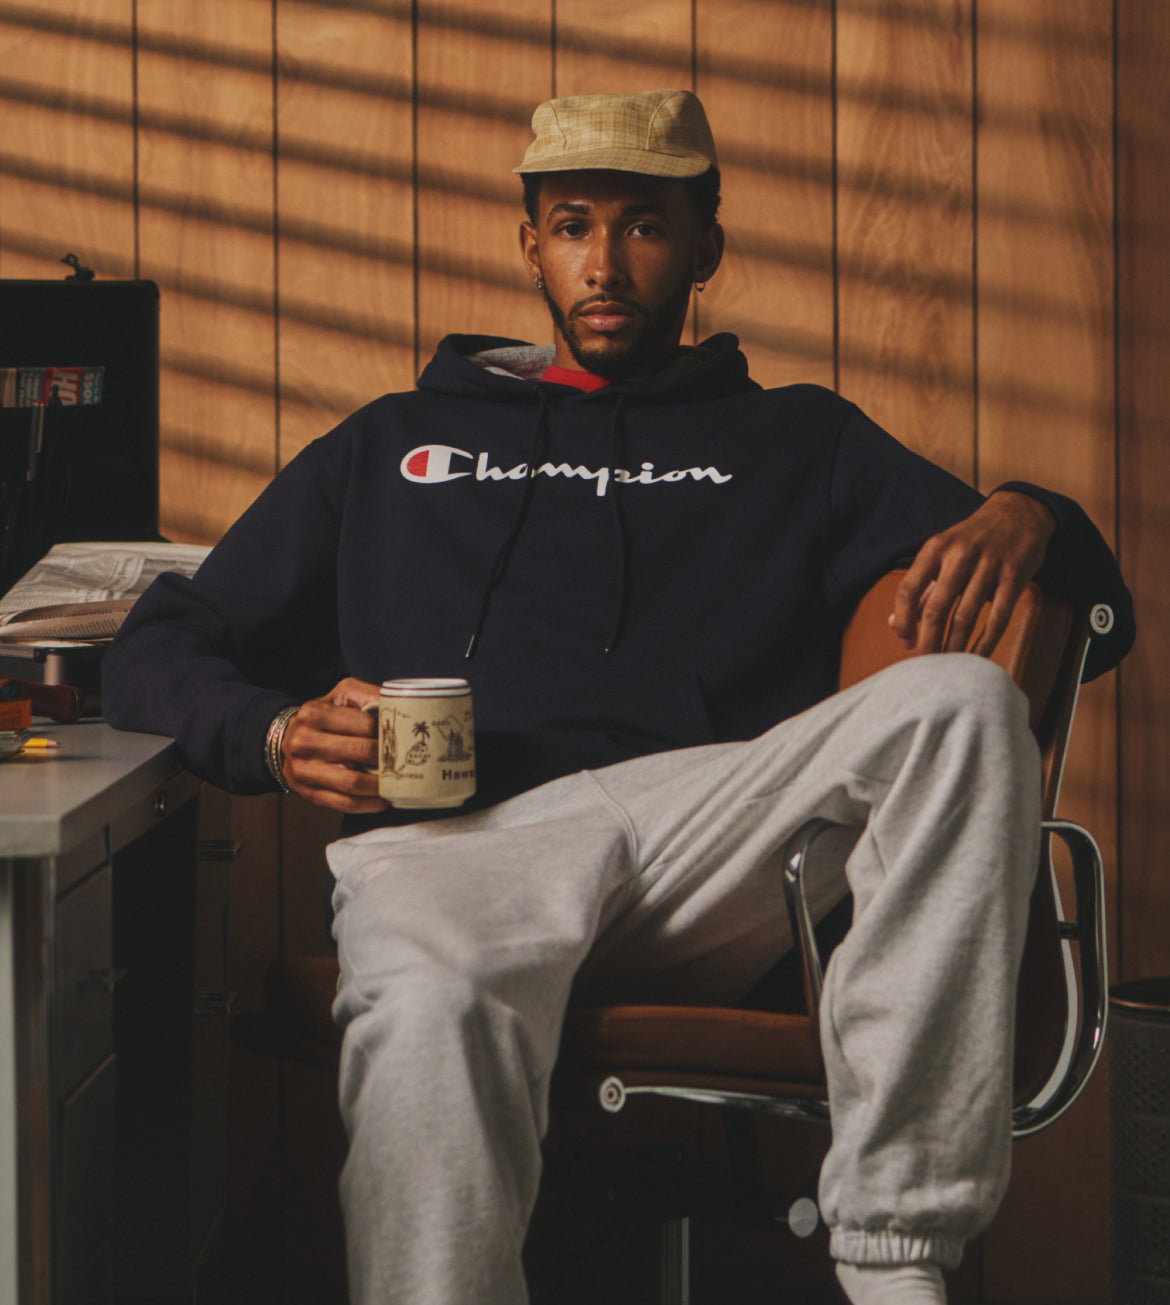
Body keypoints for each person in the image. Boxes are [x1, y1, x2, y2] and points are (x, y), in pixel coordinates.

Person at [102, 88, 1133, 1305]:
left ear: (706, 248)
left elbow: (1091, 614)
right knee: (430, 997)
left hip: (713, 838)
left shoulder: (798, 438)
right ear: (529, 243)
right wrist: (272, 736)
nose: (605, 261)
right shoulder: (396, 441)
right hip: (455, 845)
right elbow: (160, 643)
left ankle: (895, 1255)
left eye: (645, 225)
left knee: (961, 700)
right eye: (574, 223)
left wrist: (1031, 510)